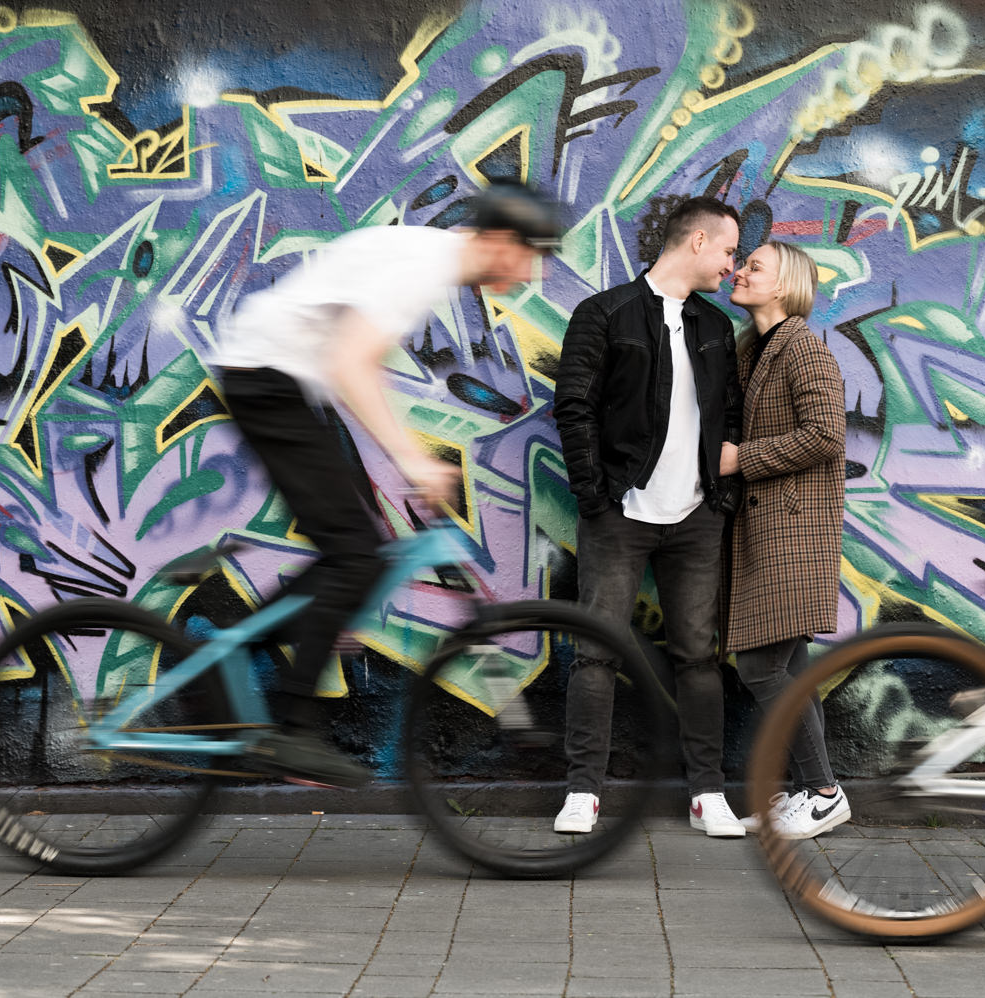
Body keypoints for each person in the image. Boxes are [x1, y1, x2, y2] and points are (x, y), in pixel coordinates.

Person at [215, 183, 564, 788]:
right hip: (265, 380)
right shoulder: (423, 265)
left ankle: (228, 652)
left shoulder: (427, 259)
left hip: (284, 383)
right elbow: (352, 362)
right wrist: (413, 462)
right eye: (532, 255)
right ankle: (291, 729)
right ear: (503, 242)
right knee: (354, 556)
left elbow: (355, 362)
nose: (531, 272)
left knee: (358, 558)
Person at [551, 196, 747, 838]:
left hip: (696, 517)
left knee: (698, 656)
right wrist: (595, 497)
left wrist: (718, 497)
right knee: (596, 653)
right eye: (727, 250)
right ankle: (583, 792)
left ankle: (707, 793)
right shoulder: (603, 313)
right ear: (696, 242)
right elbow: (573, 407)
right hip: (621, 512)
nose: (732, 264)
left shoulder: (716, 329)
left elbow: (731, 418)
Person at [719, 241, 851, 839]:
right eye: (742, 262)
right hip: (766, 523)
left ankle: (824, 791)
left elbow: (825, 435)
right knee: (788, 667)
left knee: (761, 667)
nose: (740, 271)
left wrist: (740, 459)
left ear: (784, 285)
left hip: (793, 527)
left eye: (755, 267)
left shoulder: (802, 347)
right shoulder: (754, 348)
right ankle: (808, 791)